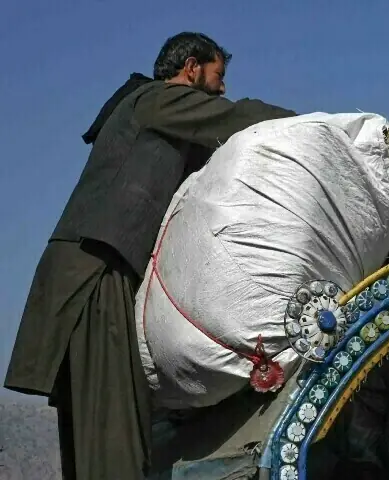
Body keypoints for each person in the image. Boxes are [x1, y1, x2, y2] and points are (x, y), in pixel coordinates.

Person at [4, 32, 296, 479]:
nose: (221, 88)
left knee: (102, 430)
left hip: (95, 271)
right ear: (192, 68)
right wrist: (316, 129)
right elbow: (235, 117)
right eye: (217, 76)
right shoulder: (156, 100)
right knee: (114, 431)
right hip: (95, 274)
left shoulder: (159, 118)